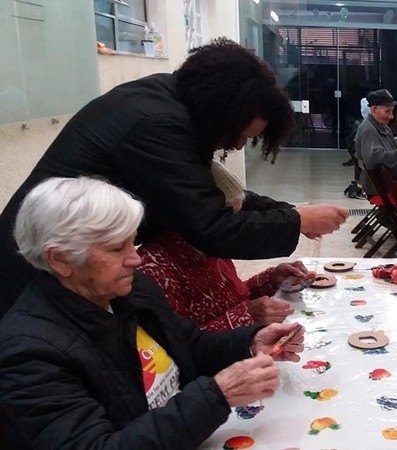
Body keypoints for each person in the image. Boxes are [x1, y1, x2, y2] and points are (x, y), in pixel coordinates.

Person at [0, 37, 349, 316]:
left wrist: (294, 214)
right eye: (240, 135)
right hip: (32, 276)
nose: (239, 146)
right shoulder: (157, 124)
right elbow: (211, 226)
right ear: (222, 111)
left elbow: (211, 194)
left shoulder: (174, 100)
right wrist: (294, 220)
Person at [0, 177, 305, 449]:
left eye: (133, 242)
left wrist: (250, 342)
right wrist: (217, 395)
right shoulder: (28, 353)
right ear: (60, 259)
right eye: (117, 248)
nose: (135, 259)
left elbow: (189, 345)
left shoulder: (128, 289)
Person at [138, 161, 313, 331]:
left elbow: (232, 299)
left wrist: (271, 279)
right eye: (226, 216)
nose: (230, 225)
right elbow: (178, 348)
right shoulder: (154, 268)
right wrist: (247, 315)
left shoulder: (210, 244)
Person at [354, 89, 397, 210]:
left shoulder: (382, 128)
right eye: (387, 111)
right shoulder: (368, 130)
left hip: (388, 184)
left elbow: (391, 152)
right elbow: (374, 159)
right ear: (374, 110)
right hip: (383, 190)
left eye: (392, 111)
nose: (391, 116)